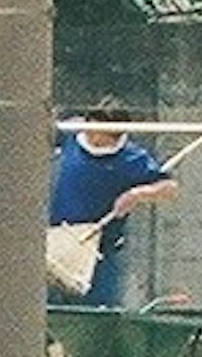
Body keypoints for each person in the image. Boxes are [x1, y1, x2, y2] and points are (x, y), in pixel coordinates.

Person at [47, 109, 179, 308]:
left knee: (97, 313)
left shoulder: (133, 158)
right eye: (89, 129)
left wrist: (137, 194)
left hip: (101, 248)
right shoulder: (72, 133)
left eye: (97, 133)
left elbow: (169, 188)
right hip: (57, 239)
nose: (90, 135)